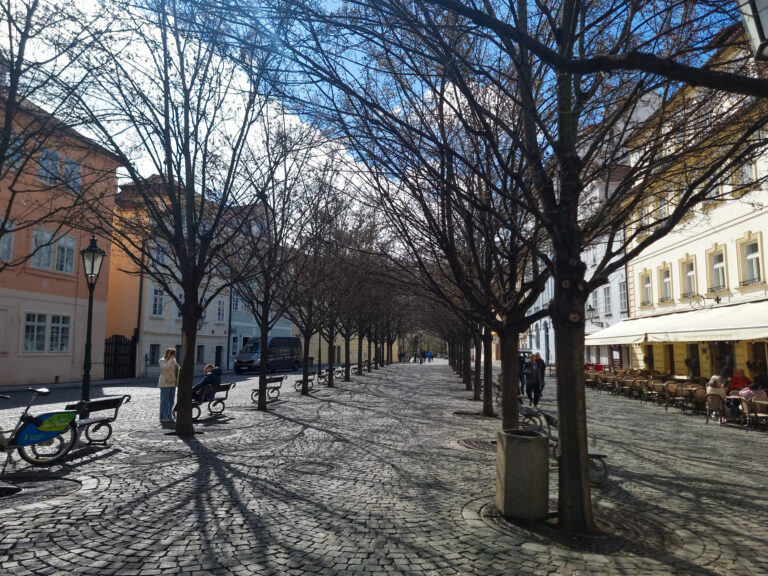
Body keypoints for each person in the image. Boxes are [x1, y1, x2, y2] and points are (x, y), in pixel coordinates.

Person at [158, 348, 179, 423]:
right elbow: (165, 368)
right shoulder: (162, 360)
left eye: (175, 354)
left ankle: (169, 414)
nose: (175, 356)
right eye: (173, 354)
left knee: (171, 401)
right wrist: (171, 360)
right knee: (165, 401)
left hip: (173, 382)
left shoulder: (174, 360)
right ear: (169, 354)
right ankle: (163, 416)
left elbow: (177, 370)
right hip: (165, 383)